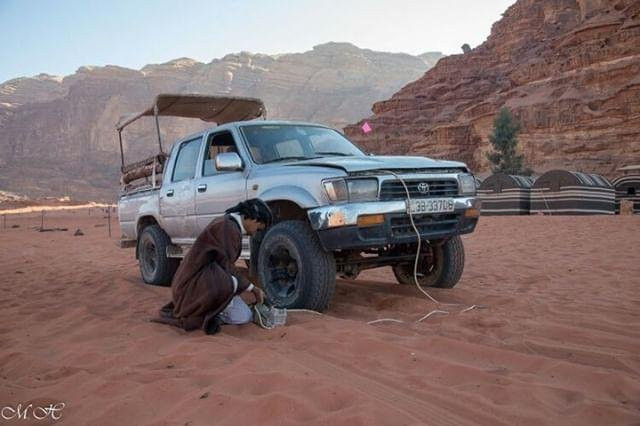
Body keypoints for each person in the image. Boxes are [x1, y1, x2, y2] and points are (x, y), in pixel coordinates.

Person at [153, 198, 273, 334]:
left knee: (242, 309)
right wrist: (253, 289)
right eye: (258, 229)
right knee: (238, 303)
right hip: (192, 285)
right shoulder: (228, 228)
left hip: (198, 281)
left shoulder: (228, 223)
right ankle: (209, 314)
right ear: (253, 219)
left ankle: (219, 308)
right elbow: (226, 266)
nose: (254, 233)